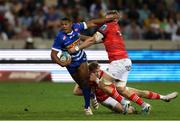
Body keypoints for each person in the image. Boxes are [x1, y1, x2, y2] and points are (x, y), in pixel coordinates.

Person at [68, 10, 152, 114]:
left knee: (102, 85)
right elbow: (94, 39)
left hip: (117, 62)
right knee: (121, 89)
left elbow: (92, 40)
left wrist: (77, 48)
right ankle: (145, 105)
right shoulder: (114, 28)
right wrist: (78, 36)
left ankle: (125, 103)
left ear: (114, 19)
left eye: (108, 17)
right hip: (126, 61)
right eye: (105, 17)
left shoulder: (107, 26)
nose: (105, 19)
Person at [50, 16, 119, 115]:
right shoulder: (60, 37)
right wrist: (61, 63)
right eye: (62, 24)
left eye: (66, 24)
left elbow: (93, 22)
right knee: (82, 85)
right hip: (70, 63)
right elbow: (53, 54)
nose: (64, 26)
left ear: (71, 24)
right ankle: (91, 95)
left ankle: (87, 108)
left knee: (85, 82)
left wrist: (109, 19)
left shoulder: (77, 27)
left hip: (81, 58)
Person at [73, 62, 178, 113]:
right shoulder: (85, 77)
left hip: (114, 90)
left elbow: (112, 80)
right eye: (96, 71)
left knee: (139, 92)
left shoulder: (102, 73)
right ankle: (135, 110)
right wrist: (92, 93)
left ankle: (164, 97)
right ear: (91, 71)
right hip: (106, 99)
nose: (98, 72)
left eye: (98, 71)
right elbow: (76, 91)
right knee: (126, 111)